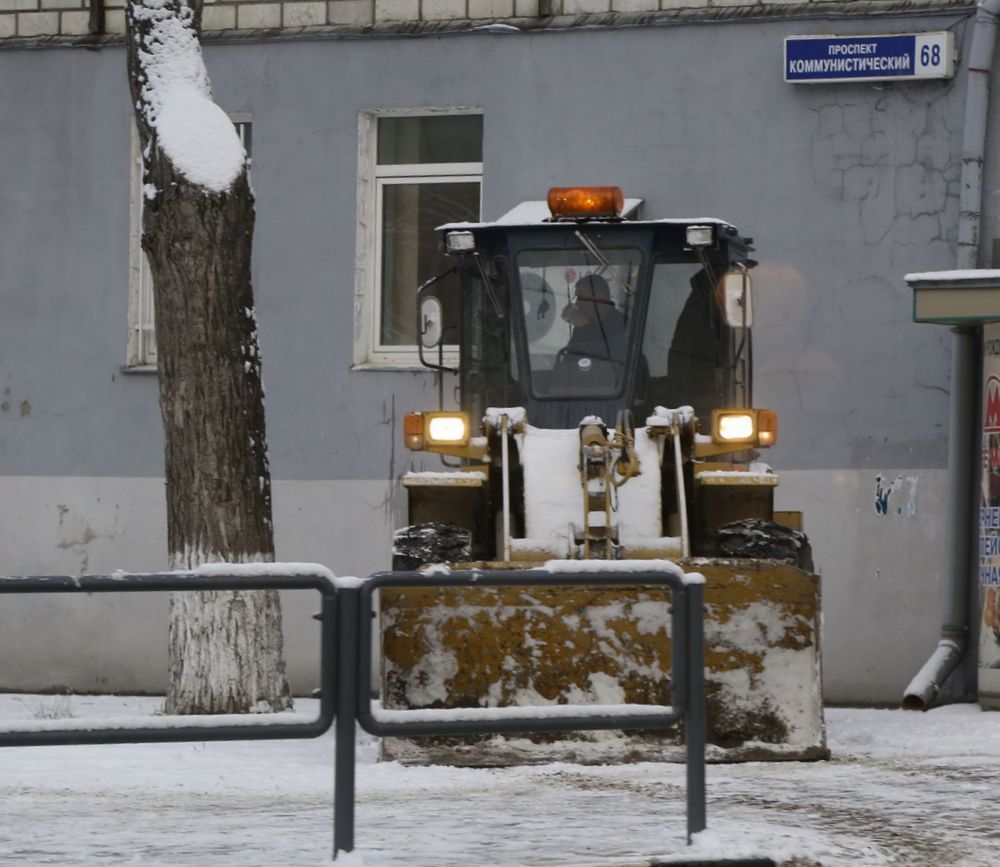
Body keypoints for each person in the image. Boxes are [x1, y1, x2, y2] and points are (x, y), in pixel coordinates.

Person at [560, 274, 628, 365]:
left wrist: (587, 327)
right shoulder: (581, 327)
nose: (577, 303)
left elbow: (611, 359)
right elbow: (569, 362)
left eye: (581, 298)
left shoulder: (623, 324)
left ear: (599, 297)